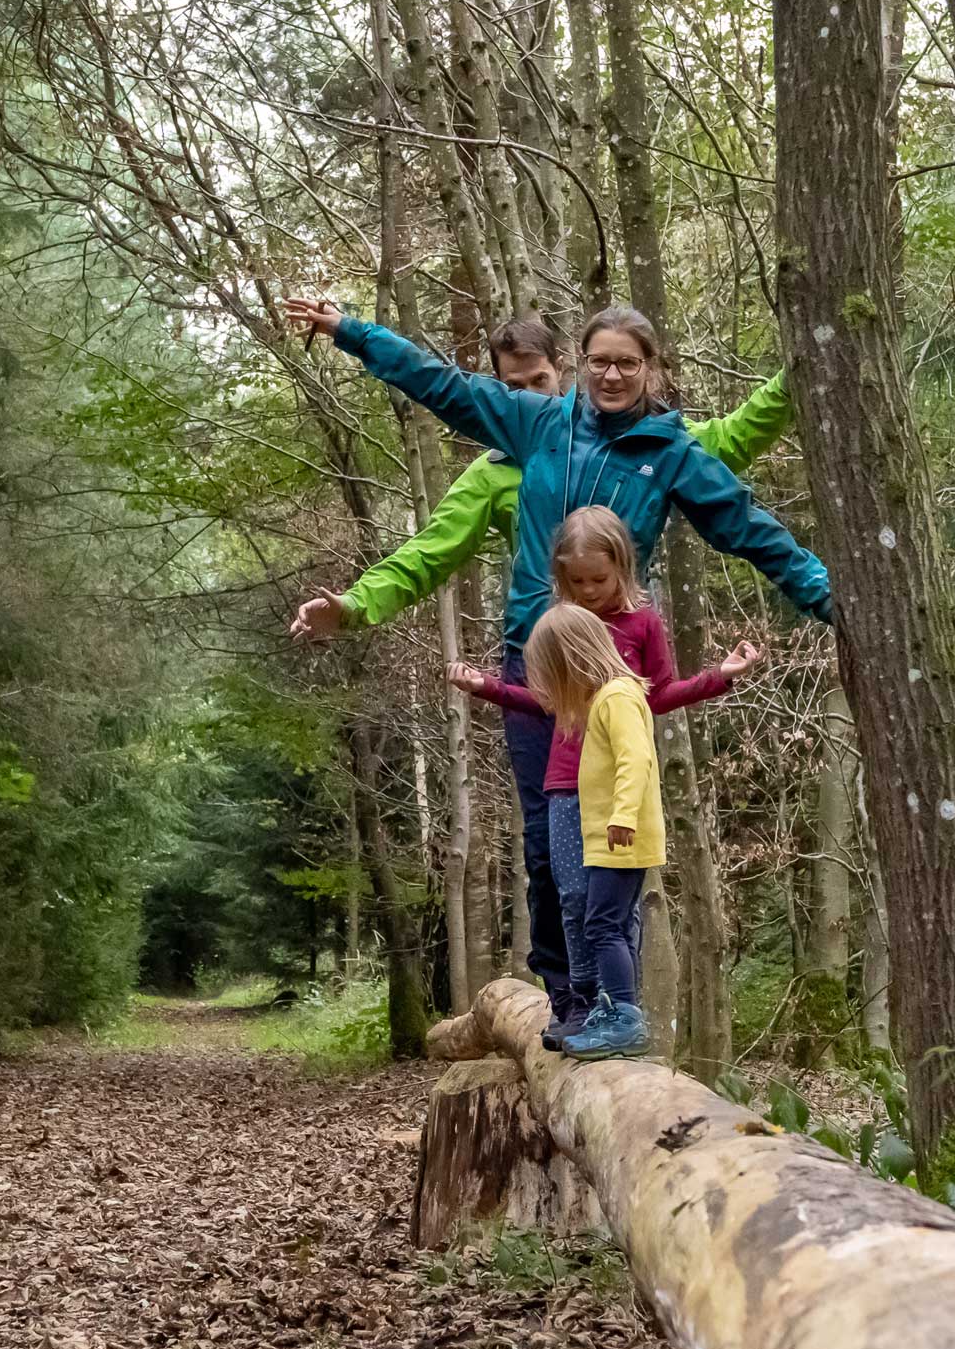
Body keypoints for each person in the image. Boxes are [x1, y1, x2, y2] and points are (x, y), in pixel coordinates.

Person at [284, 296, 831, 1030]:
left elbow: (751, 529)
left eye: (627, 364)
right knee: (547, 842)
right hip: (535, 663)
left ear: (653, 370)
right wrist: (351, 331)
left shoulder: (672, 452)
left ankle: (615, 1001)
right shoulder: (536, 424)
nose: (612, 375)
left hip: (613, 674)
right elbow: (436, 382)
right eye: (600, 361)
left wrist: (829, 598)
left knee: (608, 836)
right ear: (580, 365)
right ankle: (567, 1000)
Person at [449, 507, 761, 1047]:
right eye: (577, 581)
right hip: (563, 782)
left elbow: (656, 694)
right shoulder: (560, 627)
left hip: (610, 788)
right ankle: (575, 1001)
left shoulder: (641, 626)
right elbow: (548, 701)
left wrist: (717, 679)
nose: (590, 590)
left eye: (600, 578)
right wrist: (486, 686)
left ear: (623, 567)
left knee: (607, 907)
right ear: (561, 579)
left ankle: (617, 1010)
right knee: (566, 897)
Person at [283, 318, 795, 640]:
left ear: (562, 372)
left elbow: (735, 436)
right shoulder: (490, 477)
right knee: (549, 805)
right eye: (515, 386)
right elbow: (428, 554)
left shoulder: (652, 443)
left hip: (619, 644)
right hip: (537, 645)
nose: (531, 393)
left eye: (540, 381)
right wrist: (355, 604)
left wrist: (798, 371)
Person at [510, 603, 666, 1060]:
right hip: (609, 836)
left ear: (574, 662)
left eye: (556, 680)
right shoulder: (607, 698)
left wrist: (622, 815)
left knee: (603, 924)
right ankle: (610, 1011)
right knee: (600, 921)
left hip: (621, 836)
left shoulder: (617, 697)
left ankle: (624, 1015)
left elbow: (633, 759)